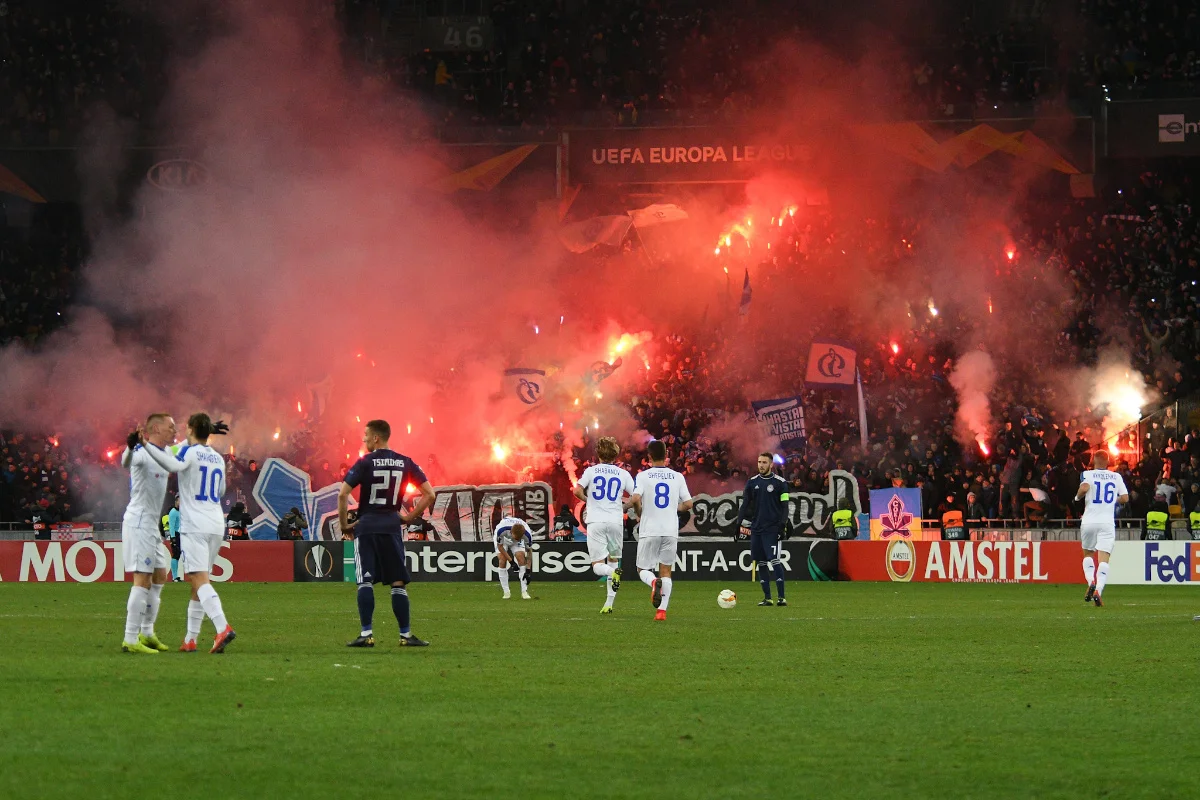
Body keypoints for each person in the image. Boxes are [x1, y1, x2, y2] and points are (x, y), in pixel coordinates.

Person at [142, 413, 237, 653]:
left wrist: (146, 445)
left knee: (198, 578)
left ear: (191, 429)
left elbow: (170, 463)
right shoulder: (218, 458)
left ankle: (222, 627)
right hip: (216, 523)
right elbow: (221, 490)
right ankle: (190, 639)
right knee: (199, 582)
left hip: (195, 523)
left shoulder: (188, 453)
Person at [339, 420, 435, 648]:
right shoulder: (405, 462)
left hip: (367, 527)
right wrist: (408, 518)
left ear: (376, 438)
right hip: (391, 526)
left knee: (365, 580)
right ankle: (405, 635)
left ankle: (366, 634)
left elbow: (343, 495)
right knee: (398, 582)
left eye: (366, 435)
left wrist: (344, 526)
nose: (363, 439)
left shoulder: (365, 462)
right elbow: (429, 494)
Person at [117, 413, 176, 654]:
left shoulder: (167, 452)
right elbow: (126, 461)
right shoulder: (141, 453)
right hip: (139, 522)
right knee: (142, 579)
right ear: (156, 429)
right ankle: (130, 639)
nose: (174, 431)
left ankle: (147, 632)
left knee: (160, 574)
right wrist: (130, 447)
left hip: (151, 524)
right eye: (171, 427)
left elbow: (186, 445)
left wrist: (205, 430)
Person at [631, 439, 693, 621]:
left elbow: (635, 498)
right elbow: (689, 504)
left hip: (650, 529)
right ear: (666, 455)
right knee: (666, 570)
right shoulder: (678, 476)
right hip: (670, 530)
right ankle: (661, 612)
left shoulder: (643, 476)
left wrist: (639, 512)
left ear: (649, 456)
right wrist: (675, 508)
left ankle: (652, 582)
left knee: (642, 568)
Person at [573, 435, 633, 614]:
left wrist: (588, 500)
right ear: (616, 454)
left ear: (598, 453)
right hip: (615, 521)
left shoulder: (591, 471)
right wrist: (624, 507)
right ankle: (609, 604)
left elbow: (577, 490)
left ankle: (611, 574)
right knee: (614, 560)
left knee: (598, 566)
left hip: (596, 521)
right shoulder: (623, 473)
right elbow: (636, 496)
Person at [1075, 450, 1129, 607]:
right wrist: (1113, 500)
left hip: (1089, 521)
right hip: (1107, 522)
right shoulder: (1116, 476)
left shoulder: (1087, 474)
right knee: (1104, 558)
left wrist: (1077, 497)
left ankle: (1090, 581)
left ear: (1093, 460)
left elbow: (1084, 488)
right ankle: (1098, 590)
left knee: (1088, 554)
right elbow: (1125, 498)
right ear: (1108, 461)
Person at [738, 452, 791, 607]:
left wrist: (782, 525)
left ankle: (781, 598)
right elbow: (745, 504)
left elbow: (785, 506)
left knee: (774, 561)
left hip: (772, 528)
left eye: (764, 462)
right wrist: (738, 523)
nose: (761, 465)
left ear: (771, 464)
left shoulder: (781, 483)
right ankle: (768, 598)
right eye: (759, 462)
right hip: (756, 529)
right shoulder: (752, 482)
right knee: (760, 562)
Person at [492, 516, 533, 600]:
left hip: (516, 535)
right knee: (502, 560)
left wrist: (528, 570)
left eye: (519, 538)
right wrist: (511, 562)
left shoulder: (527, 534)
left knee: (521, 558)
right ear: (511, 532)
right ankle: (506, 592)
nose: (517, 540)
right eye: (516, 538)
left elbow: (529, 552)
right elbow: (500, 547)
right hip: (504, 538)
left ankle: (524, 592)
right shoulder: (501, 530)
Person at [161, 495, 181, 581]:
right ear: (176, 501)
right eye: (180, 501)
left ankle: (175, 576)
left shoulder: (180, 511)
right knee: (176, 554)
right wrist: (173, 538)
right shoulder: (173, 512)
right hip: (175, 535)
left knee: (178, 554)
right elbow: (171, 526)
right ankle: (174, 577)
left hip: (180, 535)